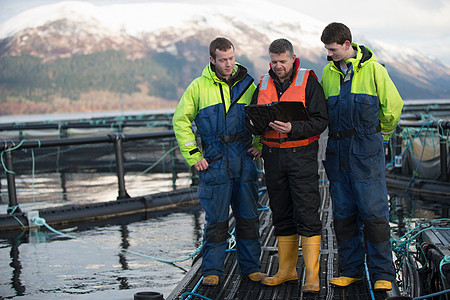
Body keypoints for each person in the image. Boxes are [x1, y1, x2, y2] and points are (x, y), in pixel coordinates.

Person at [172, 37, 266, 286]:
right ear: (212, 60)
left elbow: (261, 117)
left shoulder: (248, 85)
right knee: (216, 220)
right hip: (214, 162)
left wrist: (258, 145)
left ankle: (251, 268)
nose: (228, 64)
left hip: (244, 159)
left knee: (248, 218)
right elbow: (181, 120)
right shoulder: (198, 87)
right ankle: (212, 270)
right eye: (223, 60)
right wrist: (194, 155)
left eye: (231, 58)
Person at [320, 22, 404, 291]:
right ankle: (352, 270)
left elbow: (393, 106)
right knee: (343, 215)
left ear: (347, 45)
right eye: (326, 49)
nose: (329, 54)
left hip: (366, 151)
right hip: (337, 152)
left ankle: (383, 274)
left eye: (332, 49)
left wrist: (382, 137)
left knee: (374, 214)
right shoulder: (327, 73)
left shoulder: (374, 70)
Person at [247, 38, 328, 292]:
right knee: (280, 213)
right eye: (273, 61)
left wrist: (293, 127)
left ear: (293, 58)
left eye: (282, 61)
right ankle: (287, 271)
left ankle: (312, 276)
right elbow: (251, 118)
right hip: (273, 157)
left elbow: (321, 120)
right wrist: (258, 127)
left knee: (307, 213)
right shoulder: (261, 83)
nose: (278, 66)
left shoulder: (309, 81)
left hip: (301, 155)